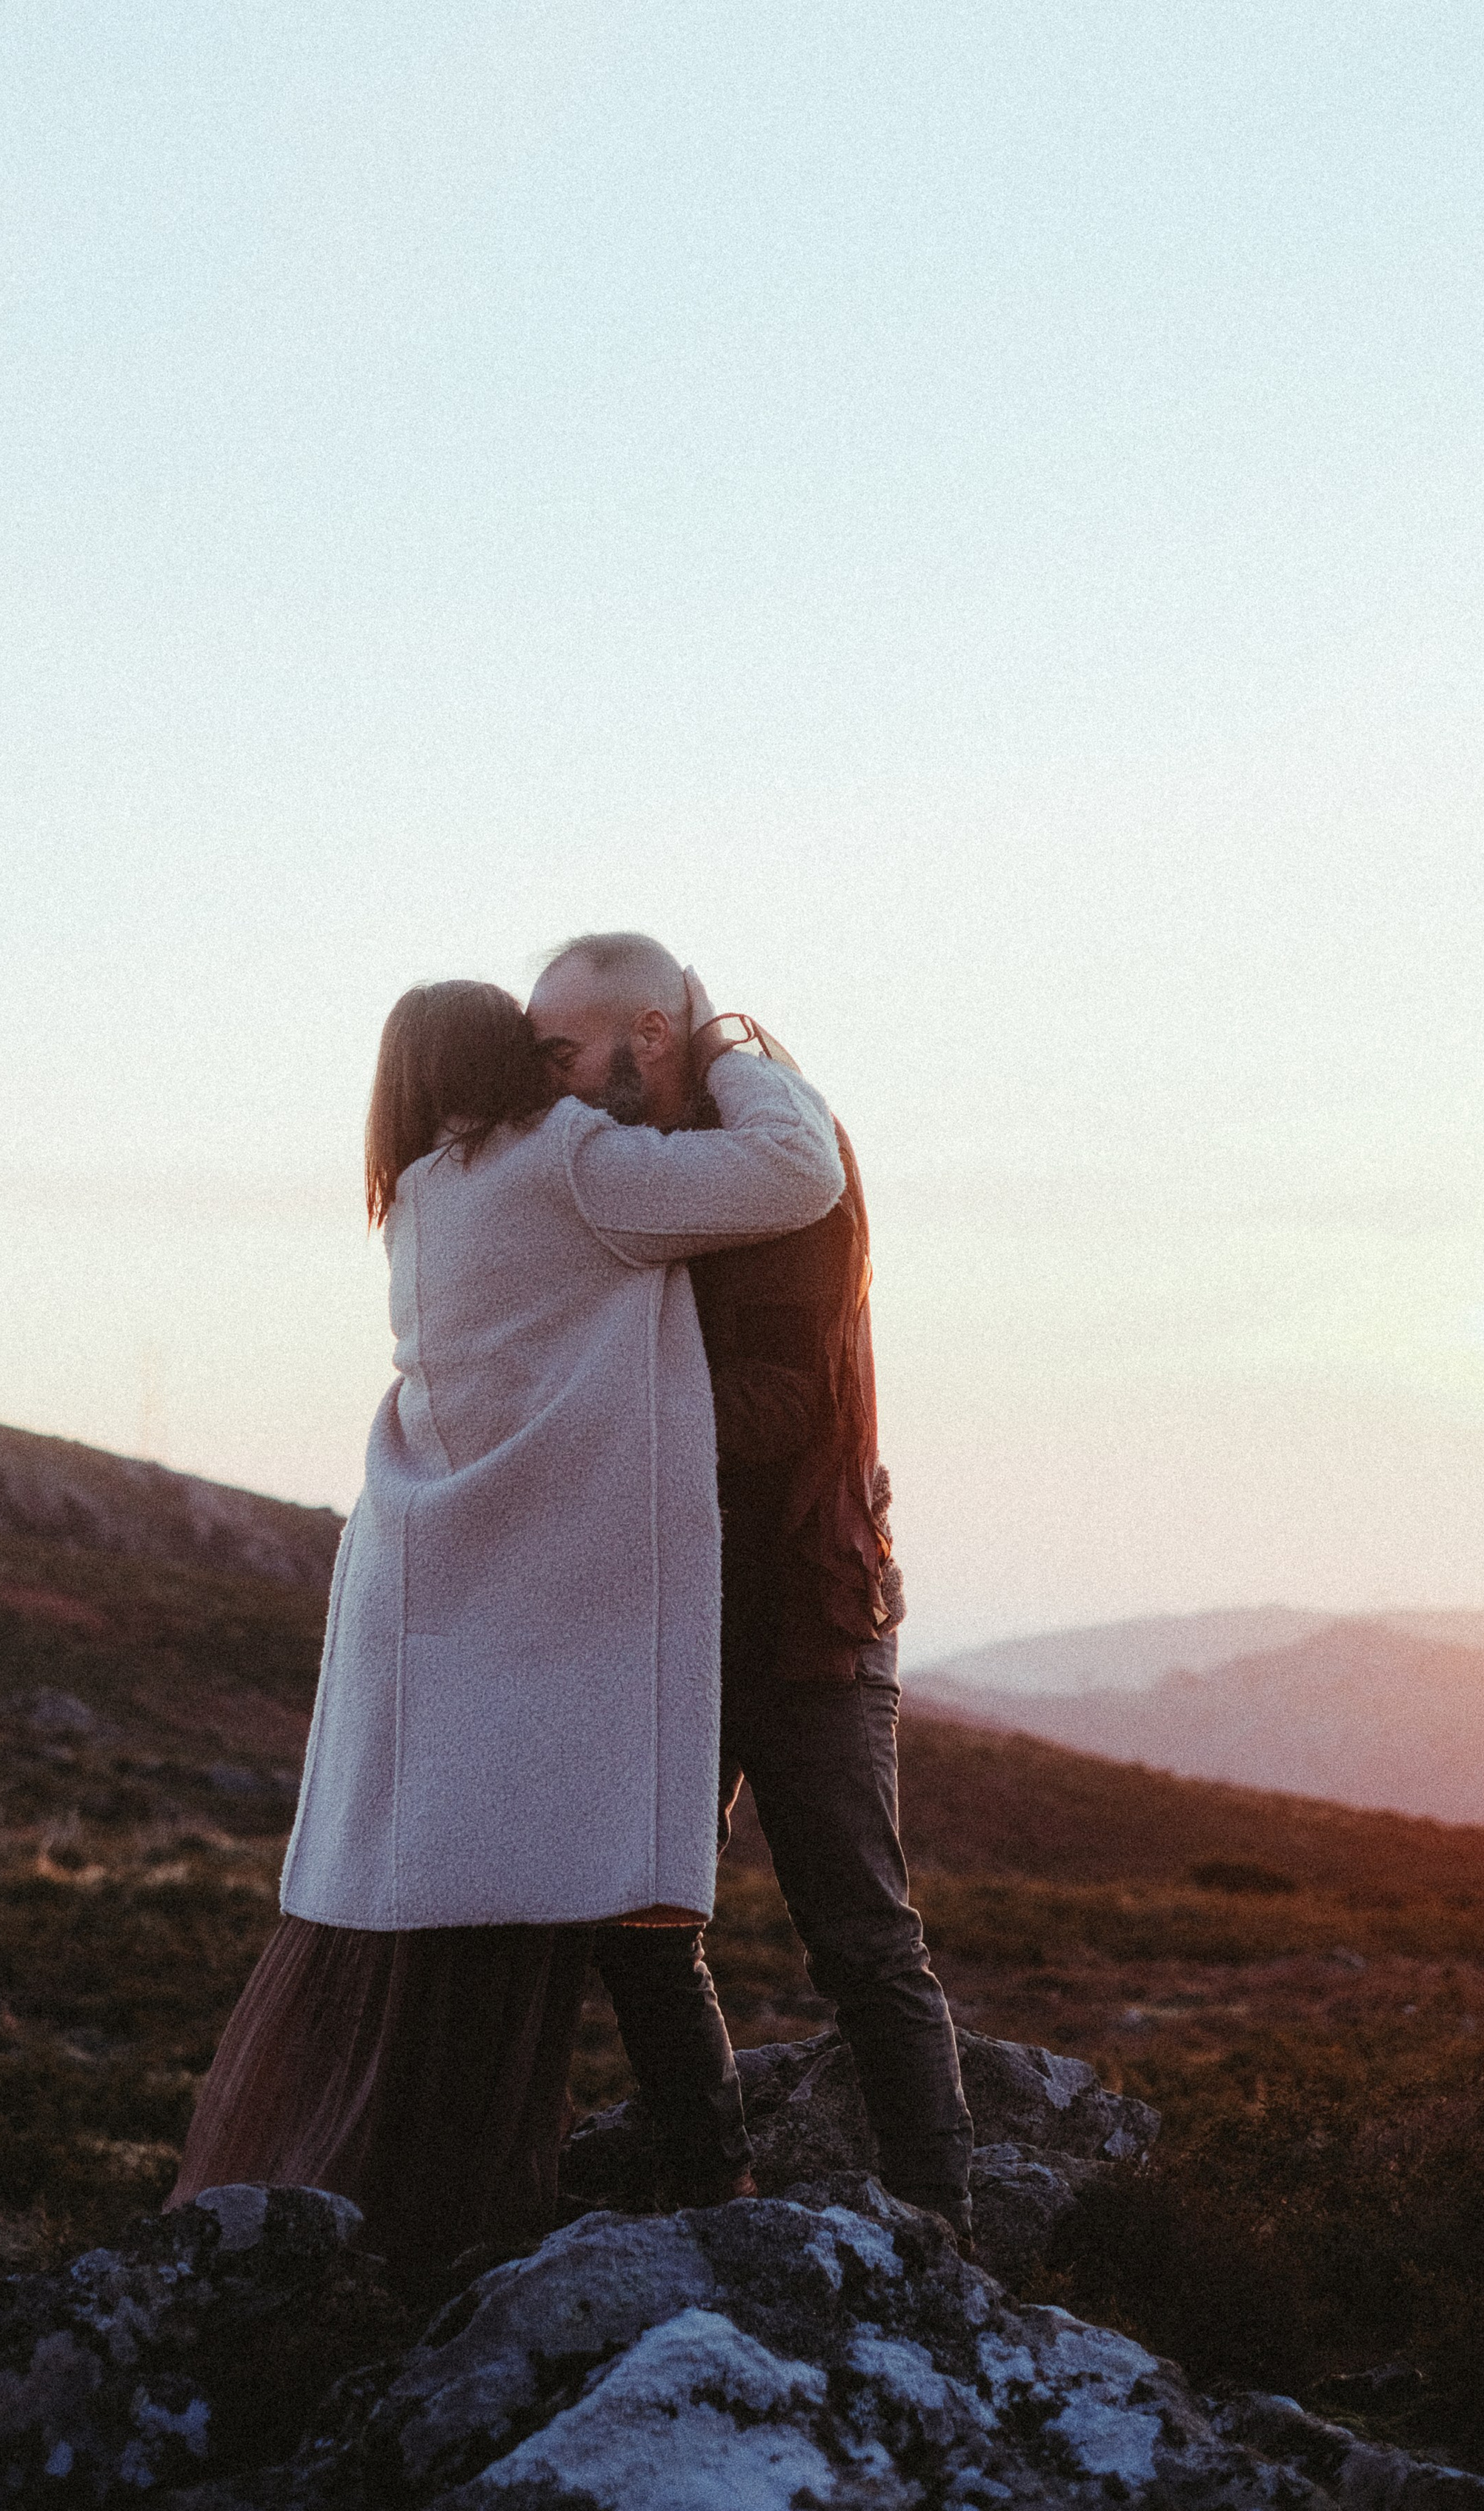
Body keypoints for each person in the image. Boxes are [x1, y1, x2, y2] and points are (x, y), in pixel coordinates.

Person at [169, 971, 845, 2278]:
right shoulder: (570, 1167)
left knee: (472, 1927)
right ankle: (695, 2185)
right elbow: (792, 1170)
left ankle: (420, 2219)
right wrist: (729, 1045)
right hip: (547, 1618)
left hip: (435, 1610)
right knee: (622, 1904)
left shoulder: (419, 1197)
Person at [528, 934, 975, 2230]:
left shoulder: (787, 1163)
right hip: (674, 1603)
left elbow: (784, 1399)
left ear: (648, 1040)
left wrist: (584, 1420)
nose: (551, 1084)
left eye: (564, 1053)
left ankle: (940, 2228)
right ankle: (710, 2184)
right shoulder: (652, 1166)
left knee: (858, 1932)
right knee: (643, 1918)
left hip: (801, 1603)